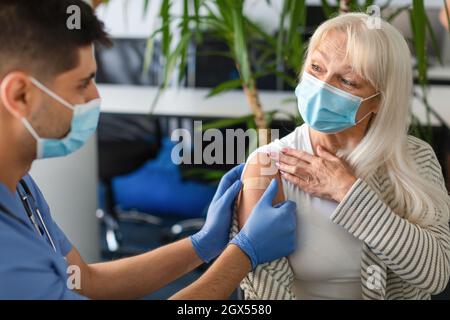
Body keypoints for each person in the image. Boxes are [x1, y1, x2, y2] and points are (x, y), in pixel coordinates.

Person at [0, 0, 297, 300]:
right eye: (83, 83)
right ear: (20, 95)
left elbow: (84, 280)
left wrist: (202, 244)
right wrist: (243, 255)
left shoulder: (19, 184)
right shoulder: (7, 258)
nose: (95, 97)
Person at [235, 13, 450, 300]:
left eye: (347, 81)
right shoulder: (268, 166)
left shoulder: (415, 158)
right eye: (316, 67)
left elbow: (434, 275)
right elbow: (266, 295)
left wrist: (348, 192)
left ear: (378, 101)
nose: (322, 86)